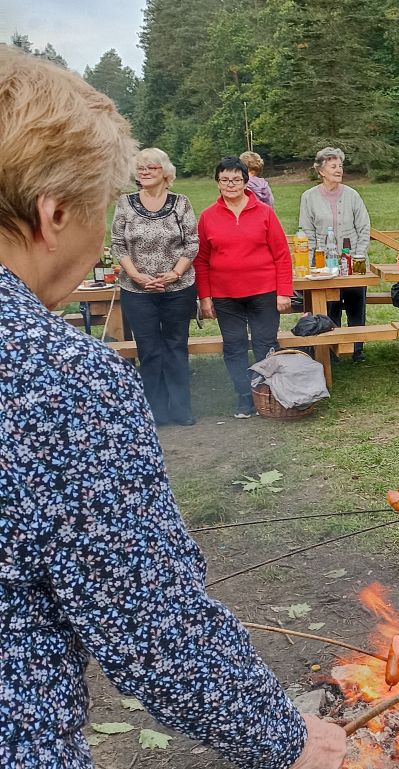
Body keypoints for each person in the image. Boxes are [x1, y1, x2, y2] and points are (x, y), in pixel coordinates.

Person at [0, 47, 346, 769]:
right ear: (53, 215)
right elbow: (153, 628)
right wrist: (286, 739)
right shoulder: (57, 380)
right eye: (99, 207)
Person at [195, 156, 293, 418]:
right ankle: (243, 398)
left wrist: (283, 292)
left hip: (263, 291)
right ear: (217, 183)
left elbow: (282, 254)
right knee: (234, 345)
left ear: (246, 182)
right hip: (225, 295)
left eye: (236, 179)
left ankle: (267, 394)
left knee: (265, 344)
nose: (231, 184)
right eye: (225, 179)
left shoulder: (264, 212)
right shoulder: (207, 217)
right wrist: (205, 298)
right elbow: (201, 260)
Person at [111, 147, 199, 426]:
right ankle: (155, 413)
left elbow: (192, 243)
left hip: (178, 287)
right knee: (149, 350)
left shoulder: (181, 202)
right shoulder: (125, 203)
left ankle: (181, 410)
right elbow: (117, 244)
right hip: (137, 290)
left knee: (176, 347)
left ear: (166, 173)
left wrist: (174, 273)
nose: (145, 172)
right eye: (141, 168)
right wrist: (136, 275)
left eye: (151, 168)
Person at [299, 147, 371, 361]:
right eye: (333, 166)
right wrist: (309, 265)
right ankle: (331, 350)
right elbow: (307, 232)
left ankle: (357, 350)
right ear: (321, 170)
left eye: (340, 165)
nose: (339, 170)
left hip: (353, 263)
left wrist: (358, 258)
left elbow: (364, 228)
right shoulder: (309, 197)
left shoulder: (352, 195)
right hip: (323, 264)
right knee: (330, 308)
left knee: (356, 305)